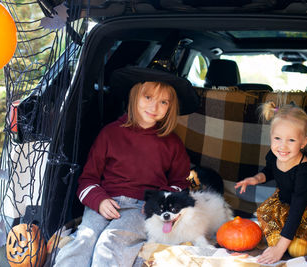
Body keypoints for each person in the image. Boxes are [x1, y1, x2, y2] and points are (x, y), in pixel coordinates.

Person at [53, 67, 199, 267]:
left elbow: (179, 184)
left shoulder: (172, 143)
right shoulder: (110, 134)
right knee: (84, 240)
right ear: (134, 96)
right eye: (148, 97)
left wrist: (157, 203)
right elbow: (88, 179)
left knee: (111, 242)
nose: (154, 106)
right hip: (104, 203)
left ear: (170, 107)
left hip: (142, 208)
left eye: (163, 102)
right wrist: (99, 200)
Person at [235, 101, 307, 264]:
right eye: (277, 138)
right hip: (285, 202)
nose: (282, 146)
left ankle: (290, 243)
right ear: (271, 136)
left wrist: (280, 249)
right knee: (272, 232)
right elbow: (269, 170)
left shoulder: (304, 170)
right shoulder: (275, 154)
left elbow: (297, 209)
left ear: (304, 142)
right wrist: (256, 179)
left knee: (300, 246)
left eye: (291, 140)